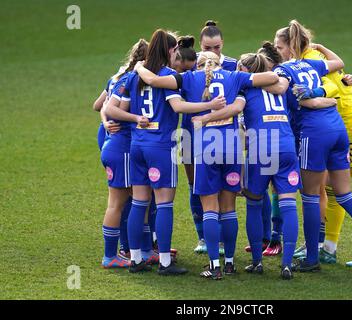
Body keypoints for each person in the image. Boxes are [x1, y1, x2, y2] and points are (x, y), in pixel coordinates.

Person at [134, 51, 279, 279]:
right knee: (229, 208)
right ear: (220, 62)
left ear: (198, 65)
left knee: (210, 208)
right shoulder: (234, 77)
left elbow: (154, 81)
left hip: (206, 147)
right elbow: (270, 78)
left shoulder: (189, 78)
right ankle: (230, 263)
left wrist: (139, 66)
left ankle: (215, 267)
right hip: (232, 147)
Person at [192, 52, 337, 279]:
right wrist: (328, 99)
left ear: (246, 70)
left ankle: (257, 261)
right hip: (286, 146)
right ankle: (286, 264)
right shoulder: (280, 86)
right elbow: (301, 105)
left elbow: (237, 114)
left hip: (260, 149)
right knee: (288, 203)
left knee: (254, 203)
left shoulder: (244, 89)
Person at [273, 21, 352, 273]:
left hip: (316, 134)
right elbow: (338, 67)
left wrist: (306, 96)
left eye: (278, 46)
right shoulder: (312, 62)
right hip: (339, 130)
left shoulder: (284, 70)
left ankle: (312, 258)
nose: (276, 50)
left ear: (290, 47)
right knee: (343, 193)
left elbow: (311, 91)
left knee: (309, 196)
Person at [105, 29, 225, 275]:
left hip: (137, 146)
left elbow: (111, 109)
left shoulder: (133, 77)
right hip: (160, 146)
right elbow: (178, 106)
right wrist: (210, 106)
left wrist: (135, 118)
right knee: (164, 204)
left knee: (139, 202)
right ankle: (165, 263)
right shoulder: (168, 75)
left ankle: (136, 259)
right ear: (171, 51)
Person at [183, 20, 239, 255]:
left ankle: (233, 241)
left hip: (225, 134)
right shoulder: (189, 66)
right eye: (207, 47)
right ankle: (203, 237)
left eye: (216, 47)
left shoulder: (233, 66)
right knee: (196, 185)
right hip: (189, 131)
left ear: (222, 44)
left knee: (230, 190)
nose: (212, 52)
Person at [93, 39, 148, 267]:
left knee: (127, 201)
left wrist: (106, 122)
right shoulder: (133, 80)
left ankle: (130, 250)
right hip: (122, 147)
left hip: (109, 142)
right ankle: (114, 255)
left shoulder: (118, 77)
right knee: (121, 203)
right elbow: (107, 108)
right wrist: (135, 118)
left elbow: (100, 106)